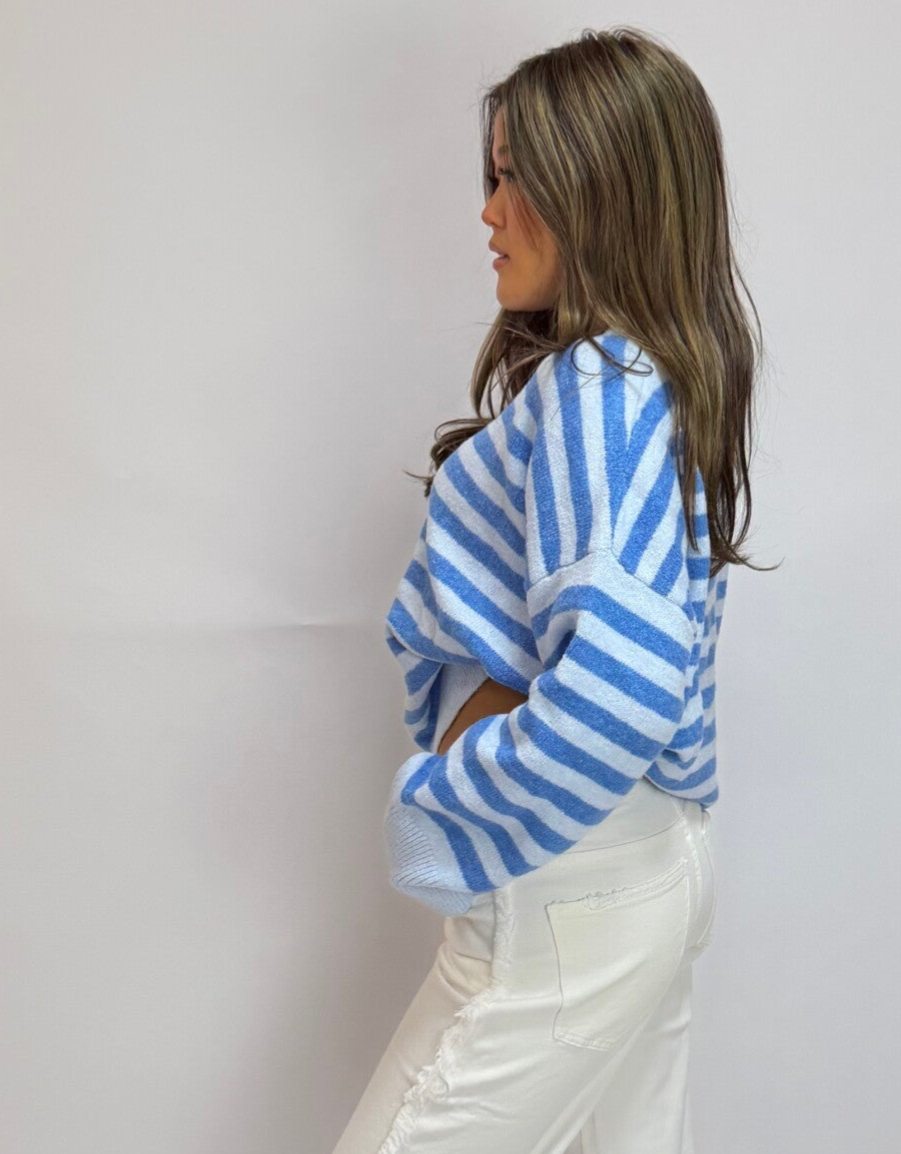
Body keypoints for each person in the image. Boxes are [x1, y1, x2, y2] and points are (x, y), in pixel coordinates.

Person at [332, 24, 776, 1154]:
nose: (488, 213)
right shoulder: (644, 380)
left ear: (597, 188)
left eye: (512, 179)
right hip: (638, 868)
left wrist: (444, 806)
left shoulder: (598, 387)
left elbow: (623, 688)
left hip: (570, 892)